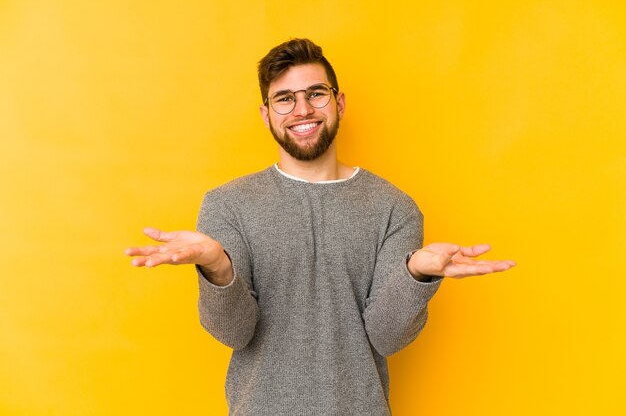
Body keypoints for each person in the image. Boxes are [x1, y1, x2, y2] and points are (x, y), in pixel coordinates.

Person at [125, 38, 515, 415]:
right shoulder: (227, 205)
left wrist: (416, 274)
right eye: (284, 99)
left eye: (316, 94)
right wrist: (218, 269)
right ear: (266, 114)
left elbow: (387, 337)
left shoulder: (395, 208)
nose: (302, 110)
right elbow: (235, 333)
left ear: (339, 103)